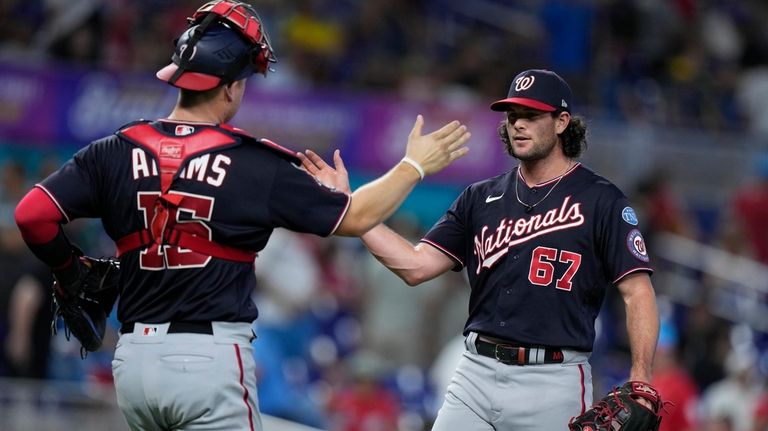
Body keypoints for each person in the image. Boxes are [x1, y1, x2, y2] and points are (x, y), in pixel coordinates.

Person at [12, 2, 470, 430]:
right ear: (230, 86)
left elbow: (32, 215)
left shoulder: (113, 151)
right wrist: (415, 165)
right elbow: (355, 218)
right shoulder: (252, 163)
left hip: (133, 363)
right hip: (207, 361)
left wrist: (71, 272)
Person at [301, 68, 660, 429]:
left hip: (552, 378)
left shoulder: (601, 200)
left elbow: (637, 292)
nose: (519, 124)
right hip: (475, 370)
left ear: (562, 122)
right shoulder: (480, 197)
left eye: (532, 116)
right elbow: (415, 266)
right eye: (513, 115)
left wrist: (640, 376)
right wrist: (353, 211)